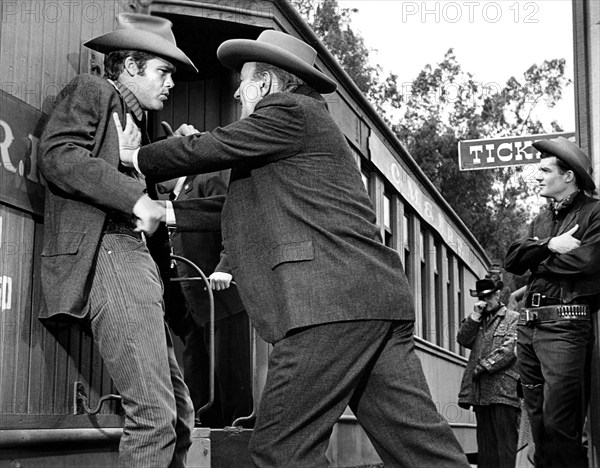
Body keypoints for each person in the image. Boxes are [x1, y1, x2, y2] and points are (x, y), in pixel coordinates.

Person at [115, 30, 471, 467]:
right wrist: (167, 212)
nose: (238, 93)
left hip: (327, 308)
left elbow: (213, 146)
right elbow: (237, 207)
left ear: (264, 85)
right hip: (370, 304)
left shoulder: (290, 111)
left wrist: (135, 156)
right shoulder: (298, 134)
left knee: (282, 449)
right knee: (421, 450)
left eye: (243, 84)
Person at [37, 14, 199, 467]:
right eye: (163, 72)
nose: (170, 85)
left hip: (134, 259)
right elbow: (58, 155)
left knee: (178, 415)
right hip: (110, 248)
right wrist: (135, 196)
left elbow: (125, 178)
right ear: (129, 65)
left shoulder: (139, 123)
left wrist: (145, 171)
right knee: (153, 414)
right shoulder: (94, 91)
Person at [505, 136, 600, 468]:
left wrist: (537, 256)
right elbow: (513, 258)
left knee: (561, 425)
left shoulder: (595, 213)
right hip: (529, 329)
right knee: (539, 423)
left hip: (565, 326)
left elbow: (586, 263)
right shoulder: (542, 219)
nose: (537, 176)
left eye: (545, 170)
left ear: (569, 175)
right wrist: (549, 245)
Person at [167, 173, 253, 427]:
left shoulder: (206, 181)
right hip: (191, 304)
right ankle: (206, 432)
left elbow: (234, 219)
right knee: (197, 376)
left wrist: (226, 265)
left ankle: (238, 434)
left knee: (230, 375)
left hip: (221, 298)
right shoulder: (172, 196)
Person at [457, 277, 520, 468]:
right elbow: (463, 339)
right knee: (486, 448)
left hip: (504, 391)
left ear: (498, 294)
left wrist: (484, 366)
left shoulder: (513, 318)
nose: (487, 300)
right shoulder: (478, 320)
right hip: (481, 393)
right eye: (483, 297)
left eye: (490, 296)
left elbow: (510, 349)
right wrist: (474, 317)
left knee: (506, 445)